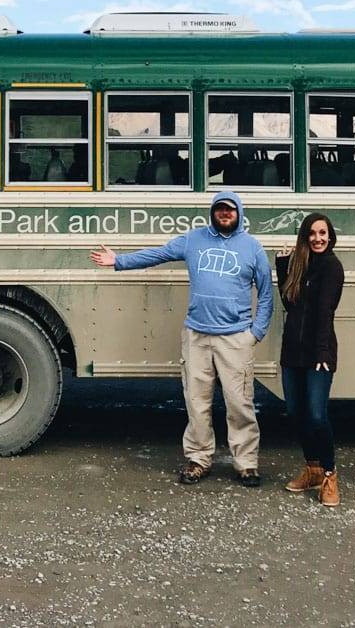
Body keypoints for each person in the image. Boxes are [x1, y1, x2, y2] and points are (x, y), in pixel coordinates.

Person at [91, 190, 274, 486]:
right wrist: (119, 261)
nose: (224, 214)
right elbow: (159, 254)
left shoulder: (252, 247)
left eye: (229, 210)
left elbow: (266, 294)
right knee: (196, 401)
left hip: (236, 338)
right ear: (212, 212)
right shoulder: (193, 240)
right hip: (197, 336)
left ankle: (246, 463)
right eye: (219, 209)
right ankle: (199, 458)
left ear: (239, 213)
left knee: (240, 402)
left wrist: (255, 333)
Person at [276, 212, 344, 507]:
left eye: (323, 233)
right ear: (304, 237)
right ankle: (313, 469)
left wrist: (322, 353)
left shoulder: (331, 267)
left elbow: (325, 312)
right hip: (293, 351)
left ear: (330, 237)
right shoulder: (299, 265)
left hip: (318, 353)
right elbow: (289, 304)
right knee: (296, 412)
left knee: (317, 415)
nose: (318, 239)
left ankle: (330, 474)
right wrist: (282, 268)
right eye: (312, 234)